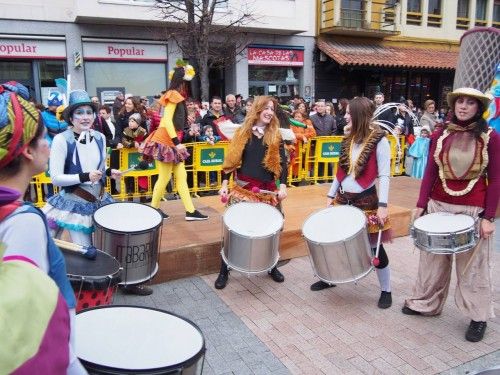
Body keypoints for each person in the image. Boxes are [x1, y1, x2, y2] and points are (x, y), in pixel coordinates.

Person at [0, 81, 86, 373]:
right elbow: (26, 324)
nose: (47, 143)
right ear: (26, 151)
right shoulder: (22, 222)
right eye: (43, 137)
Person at [403, 87, 499, 343]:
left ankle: (478, 318)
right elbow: (431, 174)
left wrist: (489, 217)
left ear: (478, 108)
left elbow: (496, 179)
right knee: (432, 262)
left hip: (472, 211)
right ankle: (426, 304)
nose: (463, 106)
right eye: (460, 102)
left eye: (470, 103)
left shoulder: (491, 137)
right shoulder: (440, 134)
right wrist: (421, 204)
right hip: (438, 206)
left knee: (473, 267)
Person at [313, 97, 393, 310]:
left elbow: (385, 175)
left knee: (375, 247)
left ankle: (386, 289)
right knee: (335, 242)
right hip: (343, 199)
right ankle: (330, 278)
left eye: (349, 113)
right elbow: (340, 172)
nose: (345, 116)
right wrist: (330, 196)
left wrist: (383, 205)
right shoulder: (347, 139)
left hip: (367, 201)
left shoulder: (380, 141)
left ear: (359, 116)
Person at [215, 96, 288, 289]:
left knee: (273, 230)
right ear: (256, 109)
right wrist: (224, 184)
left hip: (267, 191)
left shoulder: (275, 135)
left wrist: (282, 186)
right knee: (233, 229)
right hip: (244, 188)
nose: (270, 112)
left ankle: (271, 266)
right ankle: (224, 268)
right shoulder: (242, 133)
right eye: (266, 108)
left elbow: (282, 164)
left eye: (272, 109)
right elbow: (230, 162)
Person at [42, 90, 118, 246]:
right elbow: (56, 179)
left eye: (89, 112)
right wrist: (85, 177)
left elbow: (100, 167)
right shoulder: (61, 140)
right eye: (79, 112)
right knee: (86, 252)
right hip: (75, 204)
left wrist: (110, 172)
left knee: (104, 248)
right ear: (71, 117)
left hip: (100, 200)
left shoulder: (100, 137)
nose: (85, 117)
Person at [141, 61, 208, 221]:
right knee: (164, 178)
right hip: (167, 141)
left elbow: (168, 121)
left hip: (169, 140)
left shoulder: (175, 95)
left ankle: (190, 211)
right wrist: (176, 143)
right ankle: (155, 209)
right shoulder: (174, 95)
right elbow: (167, 120)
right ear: (182, 81)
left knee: (181, 176)